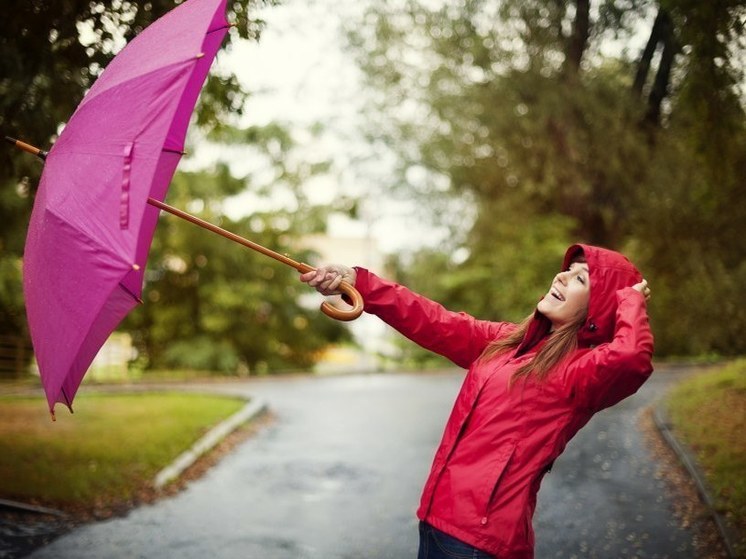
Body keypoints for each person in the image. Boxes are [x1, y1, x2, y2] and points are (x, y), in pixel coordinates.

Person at [300, 243, 653, 559]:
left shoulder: (580, 372)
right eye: (567, 270)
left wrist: (629, 300)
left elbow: (631, 359)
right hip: (438, 522)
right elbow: (433, 320)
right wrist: (359, 282)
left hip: (480, 543)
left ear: (600, 308)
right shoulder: (507, 343)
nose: (561, 277)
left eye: (581, 279)